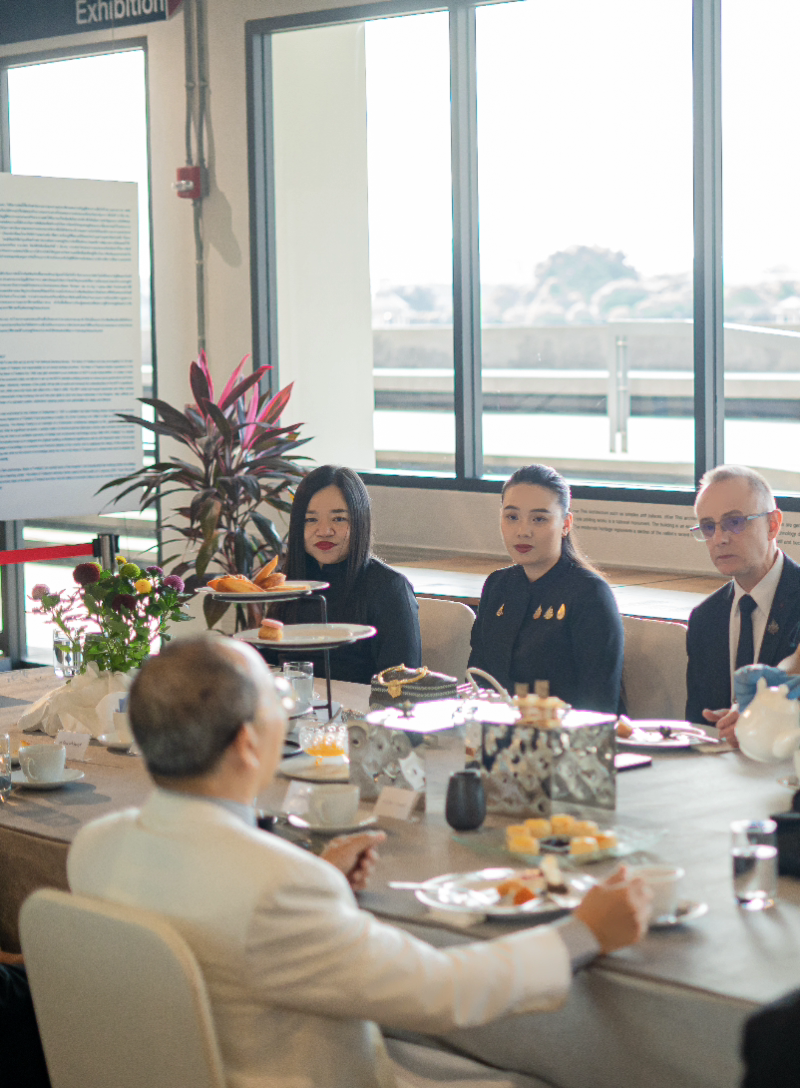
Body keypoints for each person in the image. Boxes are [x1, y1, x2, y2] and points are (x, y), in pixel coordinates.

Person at [68, 636, 651, 1088]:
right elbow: (441, 990)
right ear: (248, 744)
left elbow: (231, 915)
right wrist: (584, 932)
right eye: (278, 701)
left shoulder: (96, 845)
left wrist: (321, 882)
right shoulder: (279, 887)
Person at [468, 464, 624, 713]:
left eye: (539, 519)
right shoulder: (498, 586)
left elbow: (599, 704)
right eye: (512, 517)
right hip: (499, 729)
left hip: (569, 733)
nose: (523, 531)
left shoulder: (590, 594)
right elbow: (478, 681)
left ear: (566, 524)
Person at [269, 465, 421, 684]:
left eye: (338, 519)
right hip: (293, 703)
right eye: (311, 520)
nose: (324, 531)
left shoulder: (389, 588)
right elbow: (263, 668)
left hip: (362, 706)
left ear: (360, 521)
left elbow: (402, 684)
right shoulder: (288, 584)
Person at [685, 465, 800, 739]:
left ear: (773, 525)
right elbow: (697, 726)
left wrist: (755, 726)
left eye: (734, 522)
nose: (719, 539)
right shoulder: (705, 618)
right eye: (708, 527)